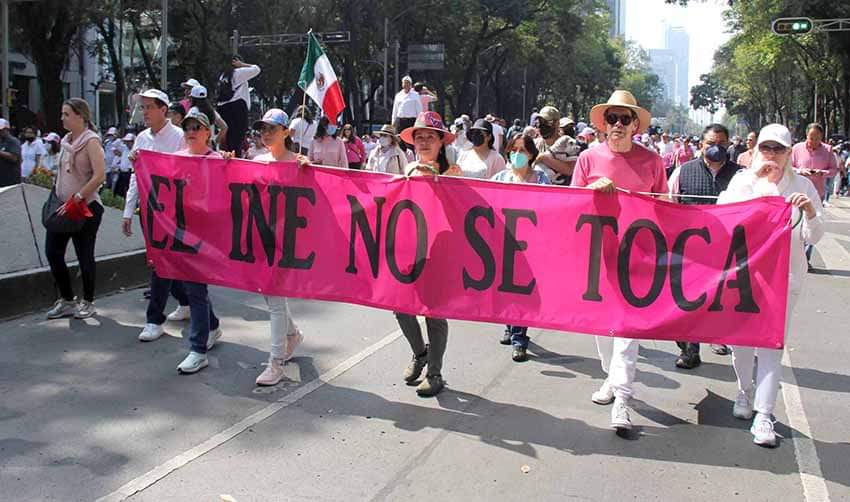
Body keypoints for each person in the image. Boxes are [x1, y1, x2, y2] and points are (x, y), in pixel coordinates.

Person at [718, 123, 823, 447]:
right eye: (767, 148)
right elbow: (724, 218)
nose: (772, 155)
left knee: (771, 345)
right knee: (741, 343)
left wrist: (808, 212)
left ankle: (765, 414)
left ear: (790, 153)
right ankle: (744, 390)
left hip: (785, 280)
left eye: (779, 149)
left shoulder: (802, 185)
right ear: (756, 150)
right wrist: (759, 183)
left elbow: (814, 237)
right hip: (745, 277)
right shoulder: (742, 181)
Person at [571, 90, 667, 433]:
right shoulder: (587, 158)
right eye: (612, 118)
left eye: (624, 119)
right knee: (602, 327)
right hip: (598, 253)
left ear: (635, 125)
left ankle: (624, 399)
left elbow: (664, 206)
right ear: (603, 123)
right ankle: (611, 379)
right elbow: (571, 202)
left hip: (637, 256)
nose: (617, 125)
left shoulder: (653, 161)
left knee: (627, 329)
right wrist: (593, 188)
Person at [121, 89, 196, 345]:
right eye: (142, 108)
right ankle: (185, 301)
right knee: (163, 261)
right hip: (149, 211)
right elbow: (136, 176)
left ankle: (154, 319)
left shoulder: (179, 138)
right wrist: (129, 210)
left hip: (173, 211)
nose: (145, 113)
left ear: (164, 109)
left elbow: (189, 171)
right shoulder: (142, 138)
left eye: (149, 107)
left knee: (161, 262)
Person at [395, 111, 461, 397]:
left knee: (435, 314)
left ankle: (434, 373)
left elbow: (462, 210)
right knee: (399, 306)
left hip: (441, 250)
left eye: (429, 137)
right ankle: (420, 353)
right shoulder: (406, 171)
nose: (423, 142)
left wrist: (436, 180)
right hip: (409, 248)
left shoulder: (453, 173)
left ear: (440, 143)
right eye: (418, 137)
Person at [668, 124, 740, 366]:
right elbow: (669, 205)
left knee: (719, 299)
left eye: (721, 143)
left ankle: (716, 335)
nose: (715, 148)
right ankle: (689, 349)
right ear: (701, 145)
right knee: (688, 301)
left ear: (728, 144)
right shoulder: (683, 172)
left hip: (726, 250)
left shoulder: (742, 176)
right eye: (710, 143)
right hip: (689, 250)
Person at [162, 108, 226, 374]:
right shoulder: (176, 159)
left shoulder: (217, 159)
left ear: (208, 133)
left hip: (207, 235)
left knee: (196, 289)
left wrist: (228, 163)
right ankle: (211, 325)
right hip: (180, 232)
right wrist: (139, 160)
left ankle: (198, 349)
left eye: (196, 128)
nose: (190, 133)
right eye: (187, 128)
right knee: (190, 286)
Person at [249, 108, 309, 385]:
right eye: (263, 128)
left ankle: (276, 362)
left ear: (287, 132)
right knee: (268, 293)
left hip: (287, 241)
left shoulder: (298, 163)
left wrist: (307, 169)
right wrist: (224, 161)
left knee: (273, 297)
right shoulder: (256, 161)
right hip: (261, 237)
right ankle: (293, 333)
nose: (266, 133)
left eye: (272, 128)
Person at [44, 98, 106, 320]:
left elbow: (100, 175)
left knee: (84, 255)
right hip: (62, 207)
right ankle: (67, 299)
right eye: (62, 114)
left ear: (80, 116)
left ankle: (88, 301)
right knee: (53, 252)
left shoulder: (91, 141)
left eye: (67, 114)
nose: (62, 118)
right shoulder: (65, 141)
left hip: (85, 208)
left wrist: (79, 196)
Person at [491, 133, 550, 361]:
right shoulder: (500, 178)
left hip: (531, 247)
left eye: (522, 150)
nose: (517, 155)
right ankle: (510, 324)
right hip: (504, 243)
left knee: (523, 292)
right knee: (506, 289)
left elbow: (552, 208)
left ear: (532, 154)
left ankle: (519, 339)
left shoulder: (541, 179)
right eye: (513, 150)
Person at [791, 123, 838, 264]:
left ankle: (806, 257)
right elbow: (789, 167)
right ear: (806, 135)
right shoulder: (797, 148)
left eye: (817, 138)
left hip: (817, 193)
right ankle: (796, 255)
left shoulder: (828, 150)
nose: (814, 141)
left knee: (814, 222)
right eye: (811, 137)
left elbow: (834, 170)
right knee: (797, 225)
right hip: (797, 193)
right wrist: (800, 171)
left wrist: (822, 173)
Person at [216, 54, 261, 156]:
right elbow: (256, 69)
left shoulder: (222, 76)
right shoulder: (238, 72)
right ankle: (236, 161)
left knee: (228, 140)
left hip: (224, 109)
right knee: (237, 141)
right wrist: (242, 64)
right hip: (237, 109)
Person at [532, 106, 575, 184]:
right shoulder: (534, 143)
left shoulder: (567, 143)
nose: (542, 125)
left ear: (557, 123)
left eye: (547, 122)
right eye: (540, 121)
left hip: (561, 192)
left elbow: (569, 170)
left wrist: (543, 158)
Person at [390, 76, 422, 144]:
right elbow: (395, 110)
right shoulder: (398, 95)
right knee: (399, 140)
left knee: (410, 141)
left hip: (411, 121)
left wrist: (419, 122)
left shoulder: (415, 95)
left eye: (408, 83)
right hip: (400, 121)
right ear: (402, 84)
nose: (406, 85)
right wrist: (393, 123)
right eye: (404, 83)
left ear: (410, 84)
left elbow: (419, 111)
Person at [0, 118, 21, 187]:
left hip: (11, 178)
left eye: (1, 130)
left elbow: (14, 158)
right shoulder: (1, 141)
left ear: (7, 129)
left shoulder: (13, 141)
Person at [113, 133, 135, 197]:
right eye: (126, 142)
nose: (127, 143)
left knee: (128, 189)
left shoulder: (135, 149)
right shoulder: (124, 148)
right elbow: (114, 145)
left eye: (129, 142)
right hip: (122, 171)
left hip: (129, 172)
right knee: (119, 189)